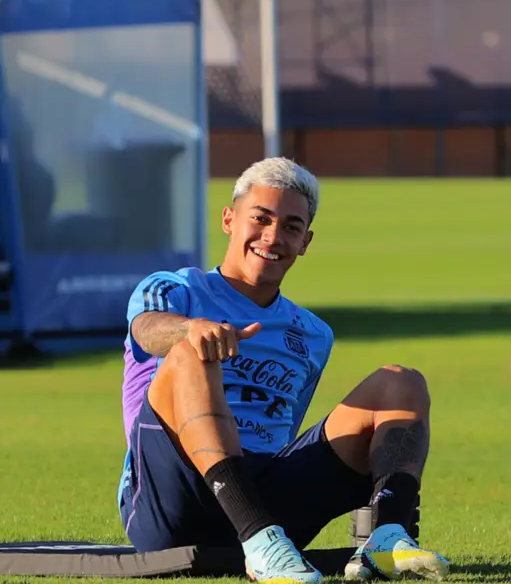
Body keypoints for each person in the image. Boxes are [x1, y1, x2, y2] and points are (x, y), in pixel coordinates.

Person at [116, 158, 449, 583]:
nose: (273, 237)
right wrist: (190, 329)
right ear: (229, 219)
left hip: (269, 496)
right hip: (171, 499)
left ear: (305, 242)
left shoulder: (313, 334)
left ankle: (388, 535)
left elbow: (284, 431)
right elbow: (146, 330)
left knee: (401, 382)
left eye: (291, 227)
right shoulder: (175, 288)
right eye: (260, 218)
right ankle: (260, 542)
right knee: (192, 353)